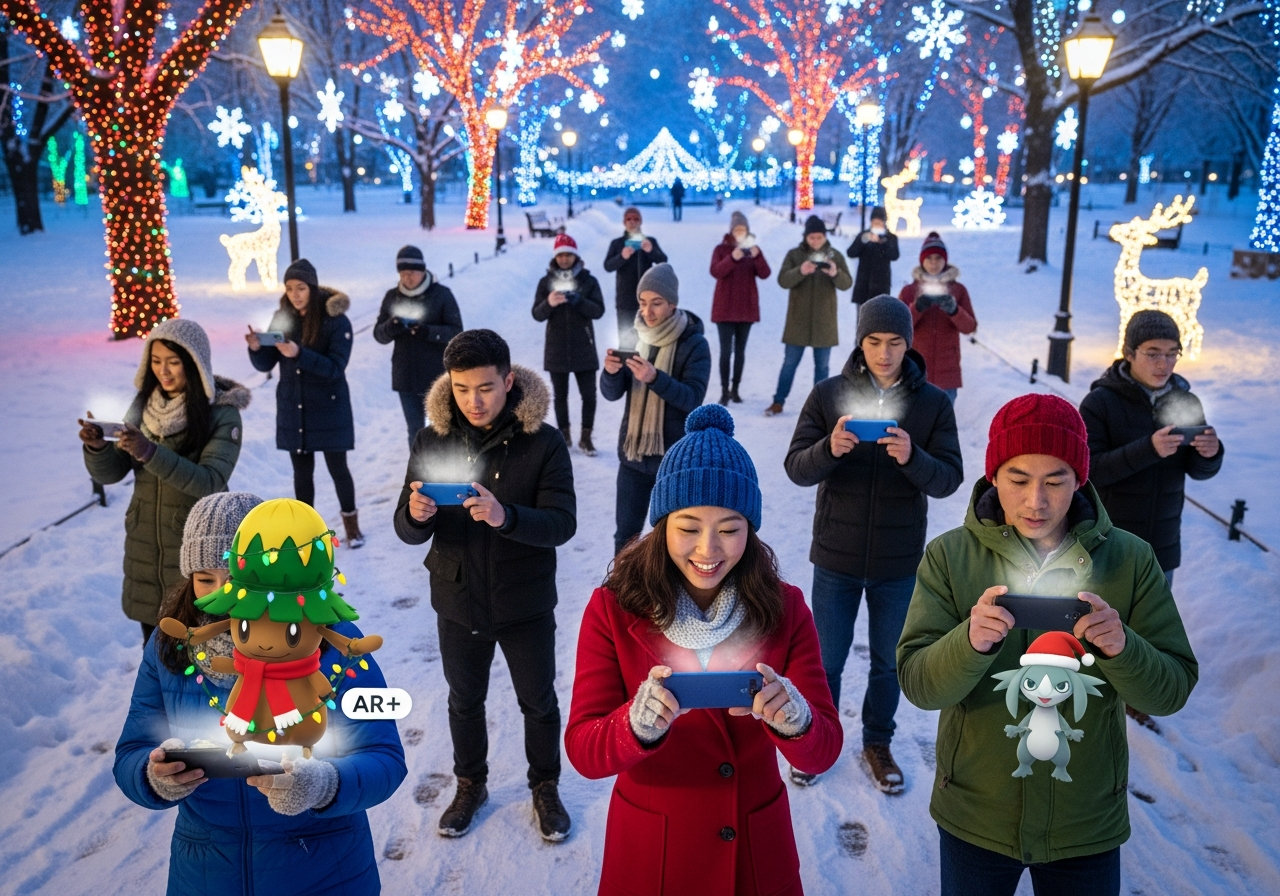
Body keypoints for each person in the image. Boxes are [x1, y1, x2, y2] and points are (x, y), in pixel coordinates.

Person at [897, 393, 1198, 896]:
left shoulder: (1130, 560)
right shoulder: (950, 557)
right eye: (1018, 479)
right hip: (977, 814)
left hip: (1086, 823)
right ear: (993, 476)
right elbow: (920, 685)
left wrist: (1124, 648)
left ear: (1080, 479)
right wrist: (967, 644)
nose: (1036, 501)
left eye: (1055, 480)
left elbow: (1170, 692)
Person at [565, 404, 842, 896]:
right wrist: (633, 725)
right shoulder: (613, 609)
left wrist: (796, 719)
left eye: (730, 530)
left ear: (750, 529)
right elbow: (585, 750)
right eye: (688, 528)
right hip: (655, 849)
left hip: (753, 848)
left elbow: (823, 750)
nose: (708, 550)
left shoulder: (787, 608)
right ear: (661, 525)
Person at [113, 492, 407, 895]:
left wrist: (323, 785)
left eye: (234, 579)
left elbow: (385, 758)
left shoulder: (334, 641)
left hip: (322, 869)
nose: (219, 596)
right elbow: (132, 751)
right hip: (205, 874)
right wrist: (153, 776)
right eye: (204, 579)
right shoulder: (170, 646)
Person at [393, 329, 577, 842]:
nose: (473, 401)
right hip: (458, 598)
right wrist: (416, 514)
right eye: (461, 388)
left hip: (525, 600)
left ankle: (545, 786)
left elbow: (563, 522)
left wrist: (506, 516)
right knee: (463, 699)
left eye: (486, 388)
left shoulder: (542, 441)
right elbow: (405, 530)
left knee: (538, 702)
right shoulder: (432, 438)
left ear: (509, 381)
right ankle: (470, 783)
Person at [783, 294, 962, 792]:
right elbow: (796, 467)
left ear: (909, 343)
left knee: (889, 660)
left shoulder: (931, 403)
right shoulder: (827, 394)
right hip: (836, 556)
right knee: (827, 661)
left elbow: (949, 478)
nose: (885, 353)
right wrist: (829, 449)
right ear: (860, 342)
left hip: (898, 561)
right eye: (874, 341)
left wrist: (912, 456)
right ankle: (818, 741)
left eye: (896, 342)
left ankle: (877, 742)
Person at [79, 318, 250, 645]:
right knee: (154, 655)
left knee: (201, 653)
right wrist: (97, 447)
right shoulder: (144, 406)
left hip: (198, 548)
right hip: (145, 548)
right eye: (156, 361)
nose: (164, 371)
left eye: (173, 362)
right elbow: (112, 472)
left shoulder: (222, 414)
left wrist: (149, 451)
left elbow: (211, 481)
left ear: (195, 364)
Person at [1079, 310, 1223, 585]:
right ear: (1130, 353)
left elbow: (1199, 471)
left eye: (1172, 353)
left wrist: (1211, 453)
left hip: (1162, 547)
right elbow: (1088, 471)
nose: (1164, 363)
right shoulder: (1100, 402)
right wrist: (1148, 449)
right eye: (1153, 353)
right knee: (1103, 625)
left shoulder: (1186, 402)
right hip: (1109, 545)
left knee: (1153, 627)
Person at [246, 258, 365, 548]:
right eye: (289, 288)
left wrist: (299, 353)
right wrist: (256, 349)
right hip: (294, 407)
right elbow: (267, 364)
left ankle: (352, 527)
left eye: (300, 288)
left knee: (338, 468)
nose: (295, 294)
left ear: (312, 287)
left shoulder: (335, 320)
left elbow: (336, 367)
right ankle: (305, 533)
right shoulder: (283, 317)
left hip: (329, 407)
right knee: (302, 473)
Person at [601, 263, 711, 556]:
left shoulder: (695, 344)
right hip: (633, 456)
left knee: (673, 539)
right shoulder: (636, 338)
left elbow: (692, 399)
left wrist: (655, 378)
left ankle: (669, 595)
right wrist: (611, 373)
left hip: (674, 458)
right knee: (626, 536)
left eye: (656, 304)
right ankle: (621, 595)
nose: (647, 312)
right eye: (642, 303)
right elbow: (612, 395)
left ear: (673, 304)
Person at [372, 244, 464, 447]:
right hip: (406, 376)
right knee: (414, 430)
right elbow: (379, 335)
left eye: (412, 272)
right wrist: (392, 326)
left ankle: (444, 472)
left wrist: (428, 331)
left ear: (422, 270)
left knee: (442, 428)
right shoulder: (392, 296)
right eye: (403, 273)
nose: (407, 278)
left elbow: (456, 331)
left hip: (436, 376)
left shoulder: (441, 294)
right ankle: (418, 474)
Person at [765, 215, 852, 417]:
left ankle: (819, 408)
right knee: (789, 364)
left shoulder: (834, 256)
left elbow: (847, 283)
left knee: (822, 368)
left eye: (819, 237)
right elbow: (783, 281)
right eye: (811, 237)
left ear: (824, 236)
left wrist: (835, 274)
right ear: (805, 237)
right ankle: (778, 401)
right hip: (798, 321)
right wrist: (800, 271)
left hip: (824, 322)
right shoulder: (795, 255)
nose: (815, 241)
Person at [532, 232, 606, 456]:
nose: (564, 259)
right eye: (561, 255)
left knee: (589, 395)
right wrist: (549, 302)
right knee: (560, 395)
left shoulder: (588, 280)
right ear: (555, 257)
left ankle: (586, 437)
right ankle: (564, 435)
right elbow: (537, 314)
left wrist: (579, 301)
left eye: (569, 255)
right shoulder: (546, 282)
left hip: (584, 345)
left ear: (576, 256)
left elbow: (599, 310)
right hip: (556, 348)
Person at [897, 232, 977, 402]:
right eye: (929, 258)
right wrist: (917, 308)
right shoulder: (909, 291)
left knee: (942, 424)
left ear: (945, 260)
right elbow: (897, 326)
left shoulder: (958, 290)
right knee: (914, 424)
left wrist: (954, 310)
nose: (933, 263)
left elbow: (970, 327)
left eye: (938, 258)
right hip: (915, 369)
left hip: (947, 371)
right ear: (922, 260)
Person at [710, 210, 771, 406]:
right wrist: (732, 258)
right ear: (731, 230)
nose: (740, 233)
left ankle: (736, 389)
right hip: (725, 309)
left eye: (743, 229)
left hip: (746, 309)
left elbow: (765, 273)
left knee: (740, 351)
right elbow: (716, 271)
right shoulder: (721, 249)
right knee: (726, 351)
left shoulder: (753, 250)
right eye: (737, 229)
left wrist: (758, 256)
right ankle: (724, 390)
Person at [603, 207, 668, 350]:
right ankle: (626, 371)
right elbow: (607, 266)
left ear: (641, 221)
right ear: (624, 222)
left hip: (648, 300)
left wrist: (651, 251)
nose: (632, 222)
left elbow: (663, 261)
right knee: (626, 341)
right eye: (629, 219)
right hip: (625, 301)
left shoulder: (649, 241)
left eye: (636, 219)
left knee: (648, 340)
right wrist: (622, 257)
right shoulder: (617, 243)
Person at [846, 206, 900, 310]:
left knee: (880, 320)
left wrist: (882, 243)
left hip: (881, 285)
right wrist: (863, 241)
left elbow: (894, 255)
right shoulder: (864, 236)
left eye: (879, 223)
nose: (876, 225)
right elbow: (851, 252)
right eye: (874, 222)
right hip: (863, 286)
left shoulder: (890, 238)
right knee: (863, 321)